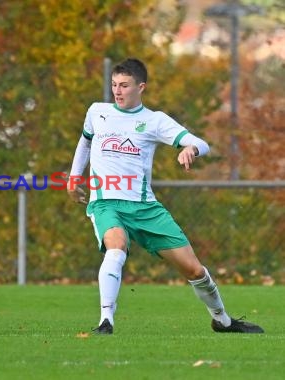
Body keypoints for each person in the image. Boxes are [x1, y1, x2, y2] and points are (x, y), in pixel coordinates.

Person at [66, 58, 263, 335]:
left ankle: (223, 320)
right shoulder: (97, 112)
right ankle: (105, 321)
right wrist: (74, 177)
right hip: (107, 202)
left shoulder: (154, 120)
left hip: (146, 208)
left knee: (195, 271)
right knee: (116, 246)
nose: (117, 91)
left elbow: (201, 143)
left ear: (141, 87)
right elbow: (85, 141)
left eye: (124, 85)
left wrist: (189, 150)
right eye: (114, 85)